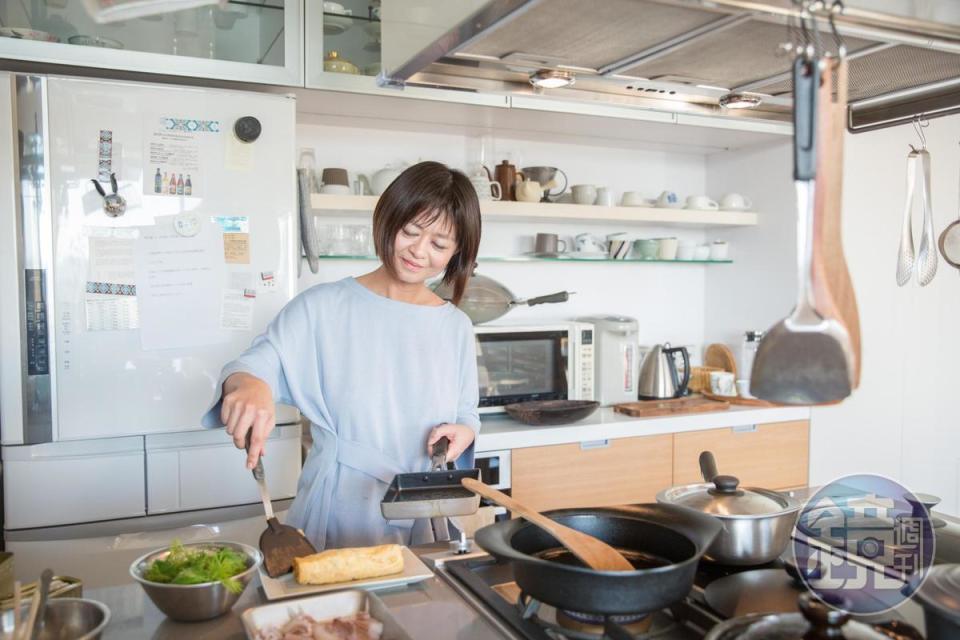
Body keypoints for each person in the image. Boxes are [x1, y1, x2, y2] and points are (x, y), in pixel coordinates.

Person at [204, 161, 482, 549]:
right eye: (410, 232)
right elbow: (255, 366)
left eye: (438, 244)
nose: (419, 251)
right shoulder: (322, 307)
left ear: (457, 253)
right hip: (338, 505)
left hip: (420, 510)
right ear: (386, 220)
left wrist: (463, 431)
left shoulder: (455, 326)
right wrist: (249, 385)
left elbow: (467, 412)